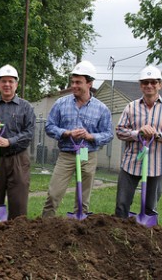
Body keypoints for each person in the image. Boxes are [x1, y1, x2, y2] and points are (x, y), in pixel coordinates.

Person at [42, 60, 113, 218]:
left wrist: (90, 136)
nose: (74, 85)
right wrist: (67, 133)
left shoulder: (102, 109)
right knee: (53, 194)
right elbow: (49, 127)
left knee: (83, 200)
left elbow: (108, 133)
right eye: (72, 82)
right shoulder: (61, 104)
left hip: (87, 155)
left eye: (78, 82)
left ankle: (79, 229)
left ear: (89, 83)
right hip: (66, 155)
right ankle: (45, 226)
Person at [115, 65, 162, 218]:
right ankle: (119, 234)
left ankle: (146, 237)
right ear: (141, 85)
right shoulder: (131, 107)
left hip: (156, 165)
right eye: (145, 82)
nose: (149, 85)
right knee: (121, 205)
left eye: (153, 82)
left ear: (160, 84)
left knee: (150, 208)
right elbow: (120, 131)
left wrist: (157, 135)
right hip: (131, 163)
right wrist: (138, 132)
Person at [0, 64, 36, 219]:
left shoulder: (26, 107)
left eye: (11, 81)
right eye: (3, 81)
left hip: (18, 159)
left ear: (16, 84)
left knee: (18, 203)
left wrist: (9, 141)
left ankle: (17, 235)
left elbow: (29, 133)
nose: (7, 85)